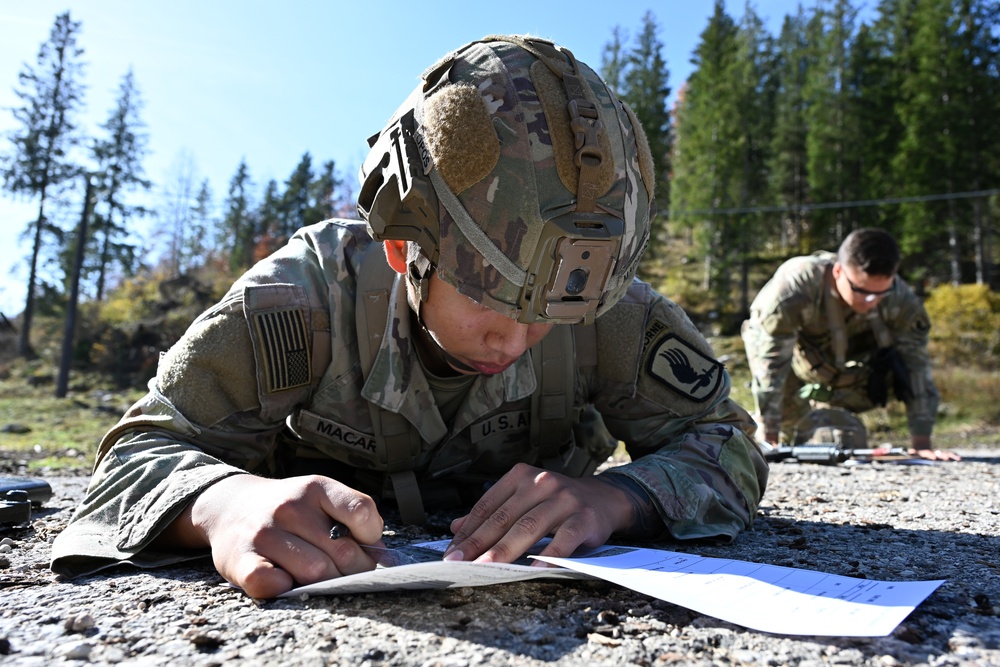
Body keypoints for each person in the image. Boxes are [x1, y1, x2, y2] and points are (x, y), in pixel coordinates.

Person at [51, 35, 768, 598]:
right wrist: (221, 504)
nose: (518, 338)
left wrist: (617, 499)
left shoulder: (601, 311)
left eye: (550, 311)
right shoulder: (302, 301)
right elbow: (135, 456)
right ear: (404, 247)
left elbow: (727, 442)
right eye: (492, 298)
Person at [741, 227, 959, 461]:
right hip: (795, 365)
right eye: (860, 290)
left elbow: (917, 368)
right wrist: (769, 436)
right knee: (787, 437)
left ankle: (824, 415)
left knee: (843, 429)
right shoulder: (796, 286)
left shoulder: (901, 300)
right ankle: (773, 422)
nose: (870, 301)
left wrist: (922, 442)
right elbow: (770, 362)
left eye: (880, 293)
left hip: (852, 375)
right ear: (838, 271)